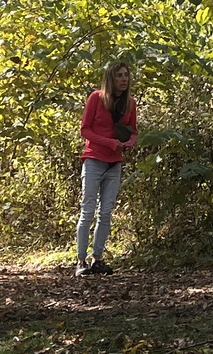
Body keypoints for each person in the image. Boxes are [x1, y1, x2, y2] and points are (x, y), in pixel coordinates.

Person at [75, 61, 137, 277]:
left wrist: (129, 143)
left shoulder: (130, 103)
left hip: (115, 163)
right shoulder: (96, 98)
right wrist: (109, 143)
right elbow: (85, 130)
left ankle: (97, 259)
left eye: (126, 75)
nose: (123, 79)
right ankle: (81, 260)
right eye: (119, 75)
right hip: (94, 160)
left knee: (106, 212)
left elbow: (134, 131)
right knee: (88, 210)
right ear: (111, 78)